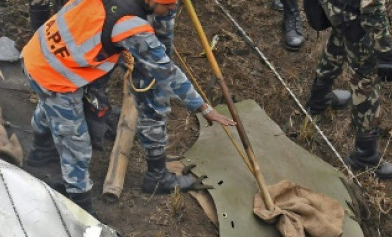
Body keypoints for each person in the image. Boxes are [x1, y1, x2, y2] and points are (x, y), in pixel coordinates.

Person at [21, 0, 236, 214]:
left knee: (51, 109)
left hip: (39, 52)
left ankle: (40, 158)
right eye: (168, 6)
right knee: (76, 145)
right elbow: (166, 72)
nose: (172, 10)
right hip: (55, 75)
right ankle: (81, 209)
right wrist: (203, 107)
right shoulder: (130, 26)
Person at [306, 0, 392, 179]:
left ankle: (318, 99)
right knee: (366, 80)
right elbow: (372, 8)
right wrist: (385, 52)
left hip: (335, 8)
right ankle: (365, 155)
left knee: (337, 42)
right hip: (354, 16)